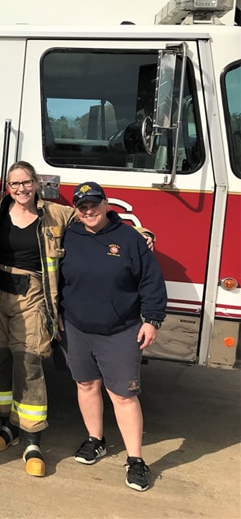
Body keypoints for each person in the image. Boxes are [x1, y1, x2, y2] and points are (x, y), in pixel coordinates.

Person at [59, 182, 166, 492]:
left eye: (94, 204)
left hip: (120, 330)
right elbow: (56, 276)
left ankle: (136, 460)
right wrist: (59, 313)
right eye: (82, 206)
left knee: (123, 395)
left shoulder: (130, 239)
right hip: (77, 328)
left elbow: (151, 282)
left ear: (107, 204)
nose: (88, 210)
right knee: (86, 384)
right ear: (76, 210)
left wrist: (152, 320)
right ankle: (96, 440)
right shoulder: (70, 236)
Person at [0, 161, 75, 477]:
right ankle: (7, 425)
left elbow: (94, 222)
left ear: (36, 183)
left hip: (33, 294)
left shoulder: (56, 214)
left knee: (29, 362)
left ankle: (32, 439)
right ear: (7, 187)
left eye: (26, 182)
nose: (20, 189)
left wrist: (141, 233)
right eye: (14, 184)